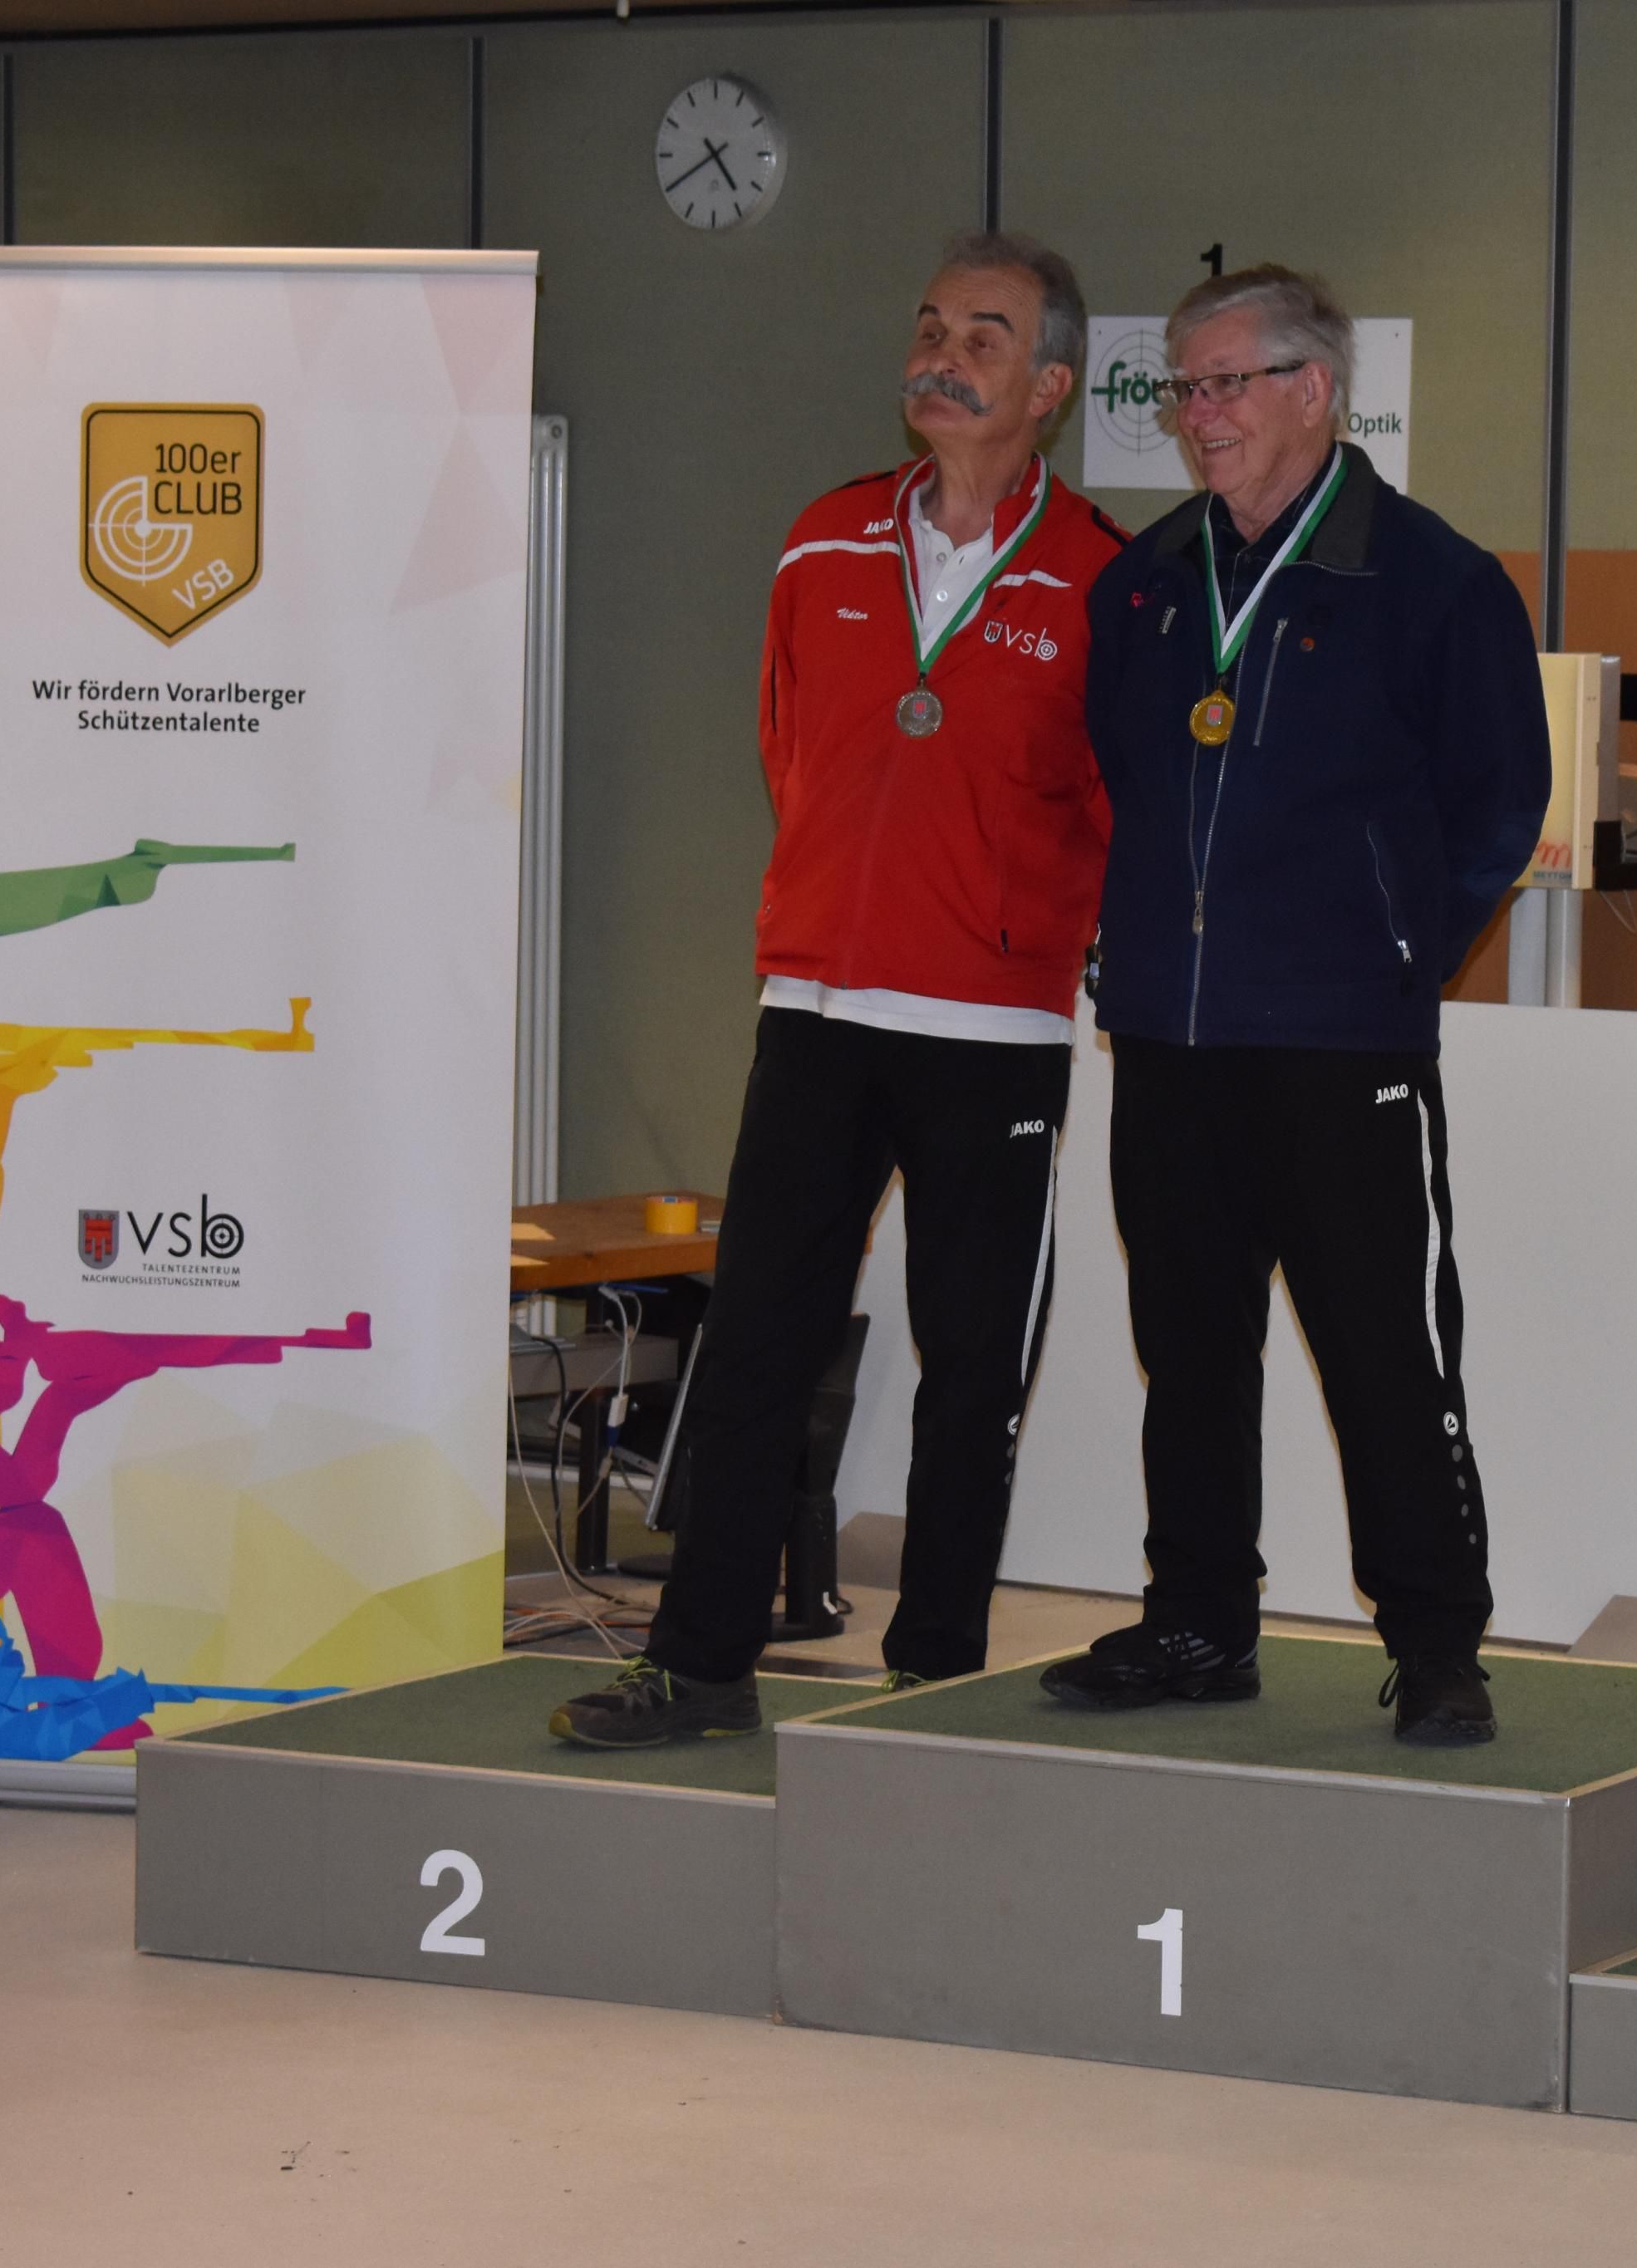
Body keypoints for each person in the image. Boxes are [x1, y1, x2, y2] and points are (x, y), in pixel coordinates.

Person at [553, 232, 1128, 1747]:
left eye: (985, 338)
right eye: (931, 325)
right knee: (758, 1339)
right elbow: (790, 746)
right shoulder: (821, 542)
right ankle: (700, 1662)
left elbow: (1114, 800)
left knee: (971, 1366)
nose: (943, 355)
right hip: (816, 1010)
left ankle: (933, 1678)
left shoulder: (1100, 576)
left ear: (1051, 386)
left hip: (992, 1028)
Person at [1045, 265, 1549, 1746]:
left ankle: (1436, 1641)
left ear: (1314, 390)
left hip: (1342, 1045)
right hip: (1172, 1038)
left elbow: (1497, 805)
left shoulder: (1433, 582)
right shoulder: (1143, 586)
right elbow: (1126, 783)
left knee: (1382, 1350)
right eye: (1183, 389)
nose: (1198, 415)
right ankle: (1199, 1620)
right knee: (1189, 1350)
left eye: (1227, 384)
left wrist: (1389, 952)